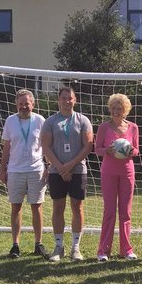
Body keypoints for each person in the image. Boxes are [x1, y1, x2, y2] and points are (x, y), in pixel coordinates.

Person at [40, 85, 93, 262]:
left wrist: (69, 165)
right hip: (56, 171)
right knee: (58, 207)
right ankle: (58, 246)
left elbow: (88, 145)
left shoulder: (83, 120)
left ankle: (75, 248)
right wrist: (60, 167)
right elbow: (46, 146)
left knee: (77, 207)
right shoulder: (50, 121)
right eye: (63, 98)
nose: (67, 101)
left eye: (70, 98)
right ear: (58, 100)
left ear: (75, 100)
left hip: (77, 170)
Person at [0, 89, 49, 259]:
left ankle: (38, 243)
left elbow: (46, 145)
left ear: (32, 104)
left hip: (36, 170)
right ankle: (15, 245)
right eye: (20, 104)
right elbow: (6, 148)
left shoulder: (40, 120)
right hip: (15, 170)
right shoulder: (10, 121)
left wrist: (48, 166)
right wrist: (2, 169)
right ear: (16, 105)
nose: (23, 107)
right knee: (16, 207)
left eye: (26, 104)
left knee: (37, 206)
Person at [94, 93, 139, 262]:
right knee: (109, 211)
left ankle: (126, 249)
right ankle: (103, 250)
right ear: (110, 109)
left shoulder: (133, 127)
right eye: (113, 108)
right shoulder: (104, 128)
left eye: (119, 108)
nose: (116, 111)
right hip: (109, 172)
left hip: (127, 172)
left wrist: (129, 151)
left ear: (125, 110)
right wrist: (108, 151)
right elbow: (97, 149)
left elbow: (136, 150)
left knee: (125, 212)